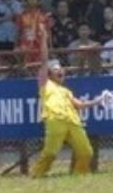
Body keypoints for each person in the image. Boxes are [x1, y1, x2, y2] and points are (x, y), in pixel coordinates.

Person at [33, 26, 106, 177]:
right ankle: (37, 175)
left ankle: (79, 175)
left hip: (72, 121)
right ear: (49, 73)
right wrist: (44, 38)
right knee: (50, 153)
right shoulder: (45, 84)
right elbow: (44, 59)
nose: (59, 71)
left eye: (61, 69)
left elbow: (79, 105)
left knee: (86, 152)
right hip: (55, 119)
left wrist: (97, 101)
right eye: (55, 69)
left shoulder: (66, 91)